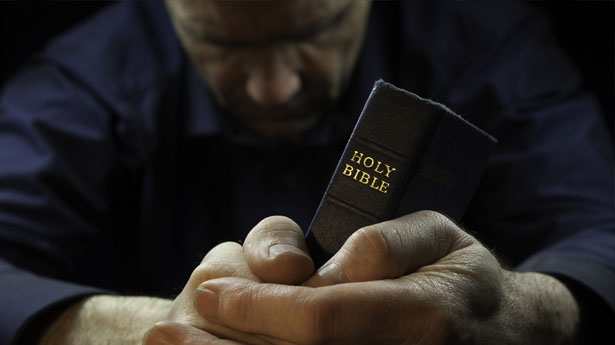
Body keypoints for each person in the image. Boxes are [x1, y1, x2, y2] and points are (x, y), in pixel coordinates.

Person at [0, 0, 613, 344]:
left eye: (317, 32)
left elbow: (600, 232)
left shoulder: (490, 49)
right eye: (223, 45)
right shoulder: (84, 81)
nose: (275, 88)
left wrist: (524, 313)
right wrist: (140, 330)